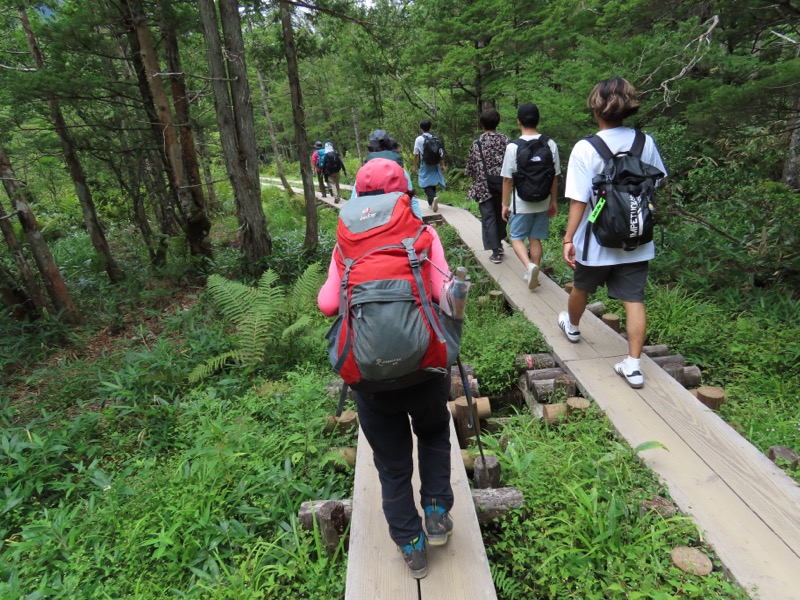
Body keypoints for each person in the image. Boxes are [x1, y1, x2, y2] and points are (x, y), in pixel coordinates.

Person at [318, 158, 454, 579]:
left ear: (358, 195)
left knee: (392, 462)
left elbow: (326, 304)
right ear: (404, 192)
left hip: (370, 378)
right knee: (432, 434)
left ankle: (410, 546)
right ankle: (435, 515)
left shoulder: (345, 245)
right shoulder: (423, 233)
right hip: (425, 366)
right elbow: (446, 294)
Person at [559, 76, 667, 389]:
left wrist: (569, 238)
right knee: (634, 299)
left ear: (595, 111)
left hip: (596, 240)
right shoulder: (644, 142)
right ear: (629, 109)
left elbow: (579, 200)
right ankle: (633, 365)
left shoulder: (585, 148)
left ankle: (573, 326)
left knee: (581, 287)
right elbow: (657, 181)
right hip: (636, 237)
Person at [500, 103, 560, 290]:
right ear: (538, 120)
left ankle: (529, 267)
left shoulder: (513, 147)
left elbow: (508, 180)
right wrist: (554, 201)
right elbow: (555, 176)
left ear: (518, 121)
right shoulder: (550, 144)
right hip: (543, 201)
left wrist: (504, 204)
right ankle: (535, 271)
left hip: (521, 203)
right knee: (535, 238)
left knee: (516, 237)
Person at [465, 108, 510, 264]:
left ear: (482, 123)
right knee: (501, 215)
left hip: (484, 187)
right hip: (503, 184)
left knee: (489, 217)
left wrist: (475, 183)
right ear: (497, 122)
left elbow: (471, 167)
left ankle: (495, 251)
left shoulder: (477, 143)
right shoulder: (506, 140)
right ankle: (499, 242)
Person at [413, 119, 446, 212]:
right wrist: (443, 164)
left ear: (421, 128)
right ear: (430, 127)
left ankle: (432, 197)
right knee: (432, 181)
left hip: (426, 163)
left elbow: (416, 154)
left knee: (424, 182)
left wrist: (415, 166)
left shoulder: (419, 139)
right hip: (435, 164)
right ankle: (431, 204)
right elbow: (440, 153)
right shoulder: (435, 138)